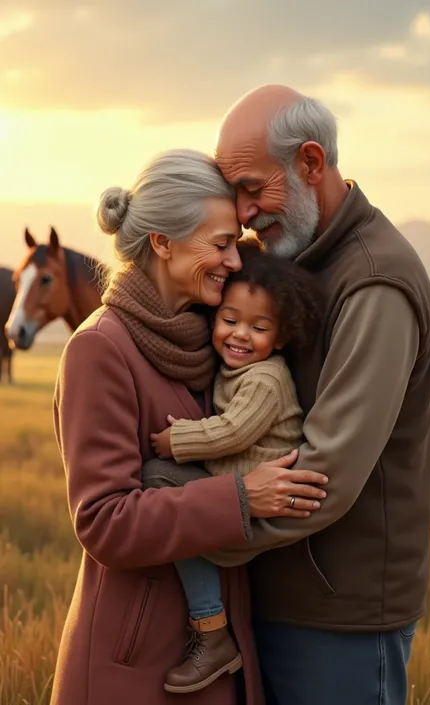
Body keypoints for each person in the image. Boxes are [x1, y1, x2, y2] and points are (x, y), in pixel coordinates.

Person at [51, 148, 329, 705]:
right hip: (134, 670)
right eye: (221, 244)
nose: (233, 262)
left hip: (214, 659)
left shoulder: (210, 339)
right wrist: (240, 498)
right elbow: (105, 521)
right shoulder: (99, 349)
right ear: (162, 242)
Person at [204, 85, 430, 705]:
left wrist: (186, 523)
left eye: (255, 188)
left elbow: (323, 476)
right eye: (236, 194)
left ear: (311, 163)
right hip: (280, 594)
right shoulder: (292, 255)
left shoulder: (374, 282)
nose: (244, 213)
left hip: (341, 619)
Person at [150, 241, 322, 694]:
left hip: (255, 501)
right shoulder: (237, 370)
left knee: (160, 482)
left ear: (281, 337)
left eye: (259, 327)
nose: (240, 335)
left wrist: (176, 440)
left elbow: (233, 432)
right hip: (238, 491)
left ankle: (212, 632)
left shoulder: (265, 379)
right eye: (229, 321)